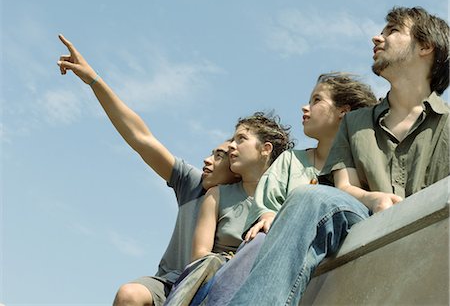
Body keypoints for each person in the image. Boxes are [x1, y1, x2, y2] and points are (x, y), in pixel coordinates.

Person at [224, 6, 449, 305]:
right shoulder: (355, 123)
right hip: (363, 220)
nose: (376, 38)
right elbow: (344, 187)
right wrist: (373, 199)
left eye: (392, 31)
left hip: (432, 232)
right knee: (310, 197)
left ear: (425, 46)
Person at [57, 35, 240, 306]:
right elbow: (140, 138)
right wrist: (94, 80)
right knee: (130, 294)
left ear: (237, 165)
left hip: (216, 294)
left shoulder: (255, 200)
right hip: (169, 286)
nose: (207, 160)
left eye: (219, 156)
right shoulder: (193, 183)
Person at [202, 72, 377, 306]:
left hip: (342, 250)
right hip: (285, 251)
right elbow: (266, 205)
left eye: (317, 100)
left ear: (343, 112)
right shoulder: (290, 160)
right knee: (256, 244)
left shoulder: (361, 161)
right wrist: (266, 215)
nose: (305, 108)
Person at [163, 112, 294, 305]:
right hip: (214, 282)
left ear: (265, 149)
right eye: (233, 140)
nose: (232, 145)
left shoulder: (284, 198)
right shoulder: (217, 195)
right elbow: (200, 256)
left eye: (241, 139)